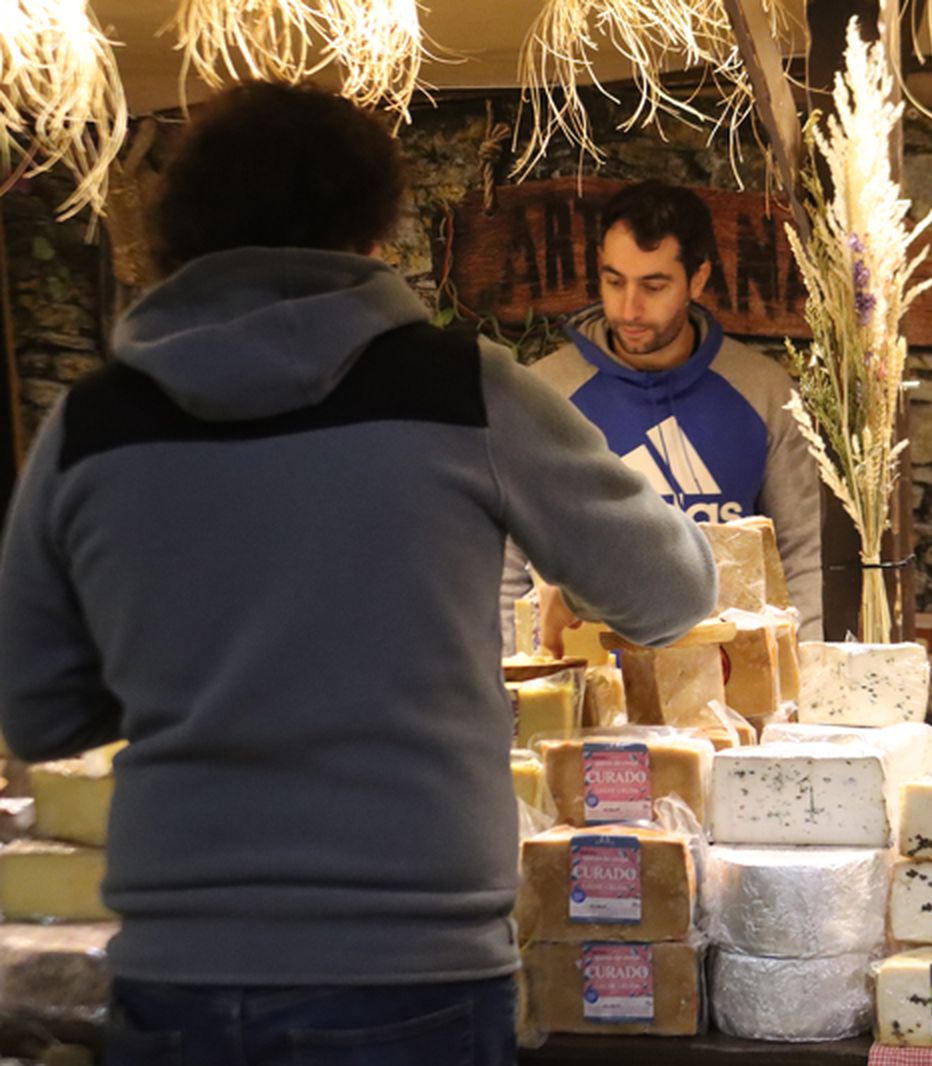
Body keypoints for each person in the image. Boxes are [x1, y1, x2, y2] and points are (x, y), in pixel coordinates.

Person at [0, 82, 717, 1066]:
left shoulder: (91, 424)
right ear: (373, 230)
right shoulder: (465, 391)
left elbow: (36, 709)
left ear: (179, 231)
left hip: (182, 970)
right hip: (412, 967)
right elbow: (671, 591)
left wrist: (193, 665)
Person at [500, 180, 822, 648]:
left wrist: (803, 686)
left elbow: (803, 560)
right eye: (614, 281)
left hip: (733, 688)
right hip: (586, 693)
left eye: (653, 286)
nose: (629, 308)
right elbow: (505, 570)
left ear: (697, 279)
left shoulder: (765, 392)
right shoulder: (543, 395)